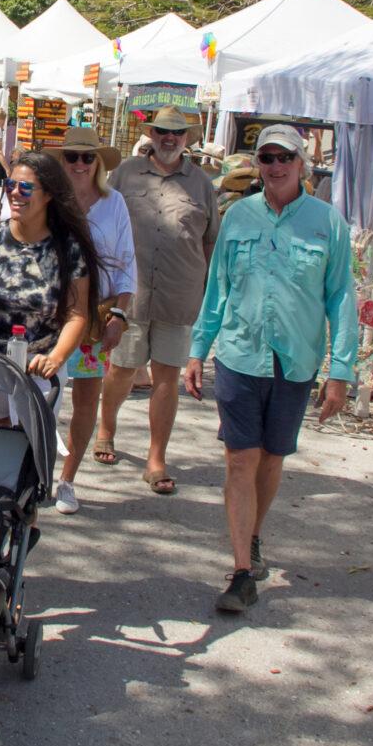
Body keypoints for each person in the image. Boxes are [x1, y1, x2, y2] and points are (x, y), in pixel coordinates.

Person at [184, 124, 357, 614]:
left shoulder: (328, 223)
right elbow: (216, 287)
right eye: (266, 158)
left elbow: (342, 297)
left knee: (271, 458)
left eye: (285, 157)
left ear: (302, 163)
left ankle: (253, 537)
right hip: (240, 355)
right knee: (241, 458)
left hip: (295, 360)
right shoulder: (237, 216)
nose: (275, 166)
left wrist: (341, 371)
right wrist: (198, 349)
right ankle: (242, 571)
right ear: (257, 164)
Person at [98, 106, 221, 494]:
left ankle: (156, 458)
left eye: (178, 133)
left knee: (167, 377)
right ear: (150, 132)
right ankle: (106, 428)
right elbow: (105, 222)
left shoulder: (202, 184)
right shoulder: (126, 173)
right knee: (121, 368)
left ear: (187, 138)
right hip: (129, 293)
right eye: (163, 131)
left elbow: (210, 240)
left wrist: (206, 290)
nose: (170, 138)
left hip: (178, 293)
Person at [0, 152, 101, 419]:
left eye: (26, 187)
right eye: (10, 185)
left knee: (28, 453)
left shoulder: (68, 248)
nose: (15, 193)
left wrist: (56, 358)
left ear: (49, 195)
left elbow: (77, 316)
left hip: (38, 371)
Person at [45, 128, 137, 514]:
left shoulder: (114, 202)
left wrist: (119, 314)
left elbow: (128, 262)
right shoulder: (49, 201)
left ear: (98, 162)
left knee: (85, 400)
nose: (80, 164)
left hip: (96, 314)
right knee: (38, 397)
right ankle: (33, 477)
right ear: (61, 161)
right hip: (48, 314)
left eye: (88, 157)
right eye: (72, 157)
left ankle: (67, 480)